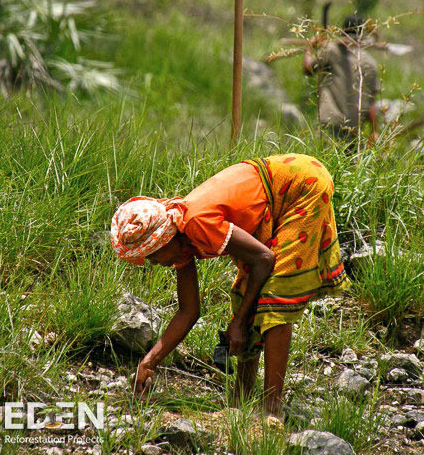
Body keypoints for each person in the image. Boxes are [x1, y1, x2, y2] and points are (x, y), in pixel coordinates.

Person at [111, 153, 350, 417]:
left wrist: (238, 322)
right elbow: (188, 311)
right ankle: (243, 395)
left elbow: (264, 259)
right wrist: (149, 361)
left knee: (275, 297)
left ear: (165, 239)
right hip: (274, 197)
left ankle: (272, 408)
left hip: (302, 184)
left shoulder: (194, 223)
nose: (154, 263)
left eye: (153, 255)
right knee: (245, 296)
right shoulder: (179, 239)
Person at [303, 15, 379, 145]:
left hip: (329, 123)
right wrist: (374, 131)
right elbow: (372, 102)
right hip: (354, 127)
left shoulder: (332, 51)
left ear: (342, 31)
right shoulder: (371, 64)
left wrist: (309, 48)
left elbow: (308, 69)